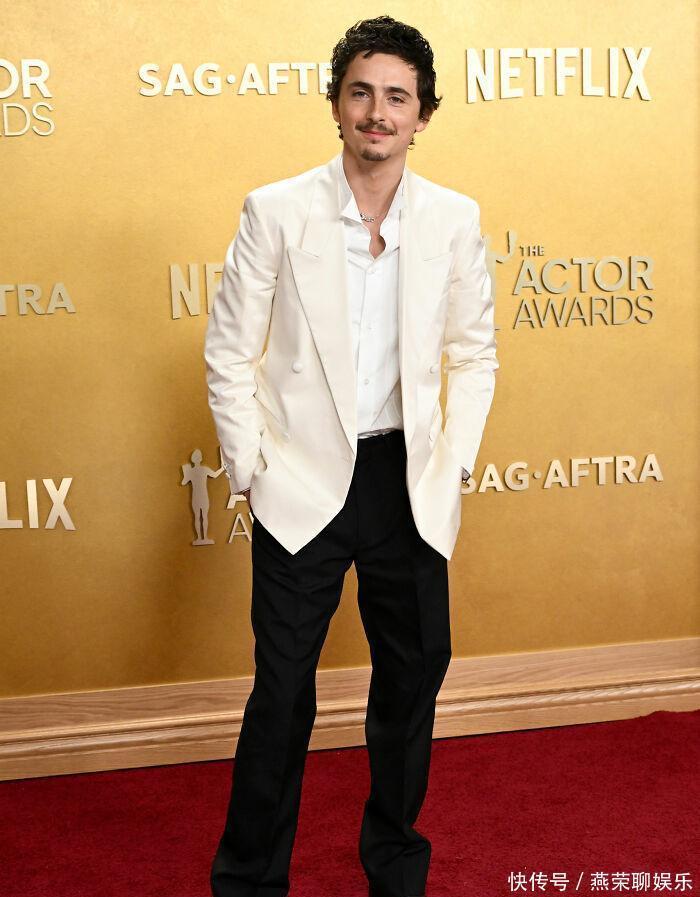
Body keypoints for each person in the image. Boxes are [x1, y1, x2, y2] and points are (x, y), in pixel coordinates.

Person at [204, 15, 499, 897]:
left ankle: (395, 868)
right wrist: (252, 470)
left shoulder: (453, 218)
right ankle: (249, 881)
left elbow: (474, 354)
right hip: (300, 480)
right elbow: (229, 351)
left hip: (408, 479)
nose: (378, 112)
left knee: (411, 683)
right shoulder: (276, 209)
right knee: (282, 693)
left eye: (397, 97)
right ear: (336, 104)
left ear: (422, 115)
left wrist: (453, 463)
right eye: (362, 92)